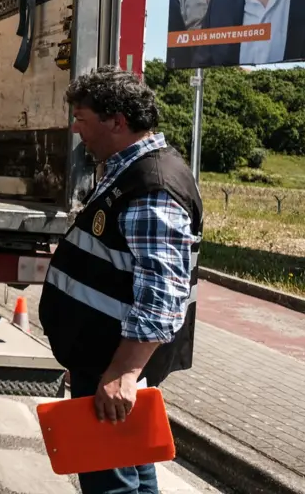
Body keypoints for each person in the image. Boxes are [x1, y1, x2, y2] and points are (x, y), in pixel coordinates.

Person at [39, 67, 202, 494]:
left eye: (83, 119)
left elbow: (161, 295)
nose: (76, 130)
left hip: (111, 362)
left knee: (111, 484)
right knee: (131, 473)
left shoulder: (152, 186)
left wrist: (122, 373)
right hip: (103, 356)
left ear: (118, 121)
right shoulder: (128, 170)